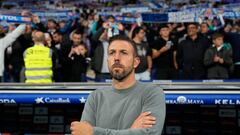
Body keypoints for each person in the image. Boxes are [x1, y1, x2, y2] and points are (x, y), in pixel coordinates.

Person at [70, 35, 166, 135]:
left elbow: (150, 133)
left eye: (123, 53)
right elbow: (82, 133)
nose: (116, 58)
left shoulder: (152, 93)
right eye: (111, 53)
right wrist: (132, 131)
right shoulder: (95, 97)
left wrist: (93, 132)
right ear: (108, 61)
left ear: (135, 62)